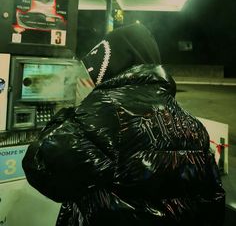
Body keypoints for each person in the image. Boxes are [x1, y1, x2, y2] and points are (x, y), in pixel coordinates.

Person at [22, 24, 225, 226]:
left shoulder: (104, 112)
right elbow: (213, 199)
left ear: (111, 62)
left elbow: (41, 167)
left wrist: (68, 113)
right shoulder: (192, 125)